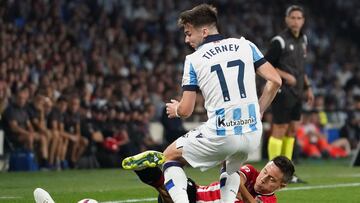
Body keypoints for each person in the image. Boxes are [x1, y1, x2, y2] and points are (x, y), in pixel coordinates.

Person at [160, 4, 282, 203]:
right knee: (230, 167)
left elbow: (186, 110)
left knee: (169, 157)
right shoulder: (246, 45)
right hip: (252, 133)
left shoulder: (193, 59)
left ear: (205, 31)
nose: (186, 39)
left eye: (189, 33)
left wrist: (176, 109)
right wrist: (259, 109)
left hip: (222, 133)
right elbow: (276, 80)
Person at [122, 151, 294, 203]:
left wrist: (240, 190)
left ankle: (144, 169)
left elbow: (234, 181)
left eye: (271, 179)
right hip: (196, 193)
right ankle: (143, 168)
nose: (263, 178)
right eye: (265, 171)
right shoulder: (251, 171)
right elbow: (235, 178)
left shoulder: (271, 201)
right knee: (167, 192)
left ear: (281, 186)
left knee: (163, 191)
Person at [265, 5, 314, 182]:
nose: (296, 21)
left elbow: (302, 68)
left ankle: (287, 173)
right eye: (292, 17)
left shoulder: (303, 40)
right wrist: (286, 76)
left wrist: (308, 87)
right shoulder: (279, 41)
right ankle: (272, 171)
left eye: (299, 18)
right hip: (282, 92)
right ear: (286, 20)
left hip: (298, 93)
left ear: (303, 21)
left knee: (292, 130)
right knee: (279, 129)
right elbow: (265, 65)